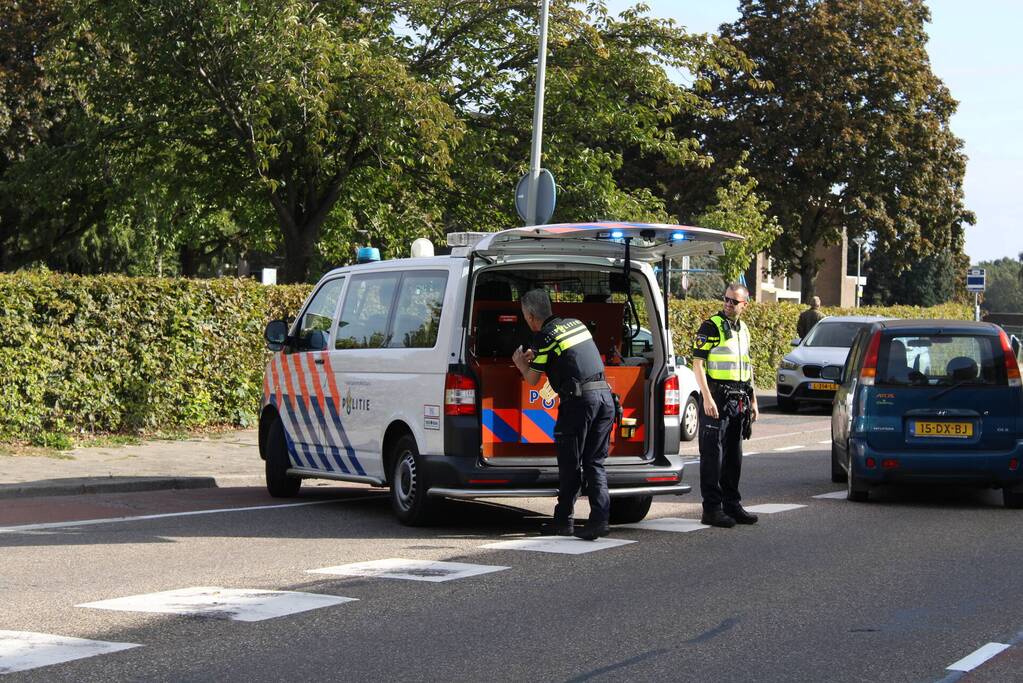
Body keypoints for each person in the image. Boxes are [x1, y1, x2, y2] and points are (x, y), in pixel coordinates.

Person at [512, 289, 615, 541]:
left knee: (570, 462)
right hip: (605, 397)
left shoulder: (543, 336)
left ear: (530, 316)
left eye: (525, 316)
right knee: (594, 462)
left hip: (580, 402)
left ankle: (564, 520)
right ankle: (599, 520)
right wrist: (538, 358)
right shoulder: (575, 324)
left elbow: (534, 379)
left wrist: (521, 363)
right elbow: (569, 356)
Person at [692, 284, 759, 528]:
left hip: (738, 398)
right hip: (717, 396)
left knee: (734, 455)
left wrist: (753, 399)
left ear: (745, 305)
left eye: (734, 301)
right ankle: (711, 509)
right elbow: (698, 364)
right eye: (727, 300)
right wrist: (707, 398)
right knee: (713, 454)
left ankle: (732, 504)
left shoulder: (744, 330)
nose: (729, 304)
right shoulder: (711, 326)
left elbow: (747, 365)